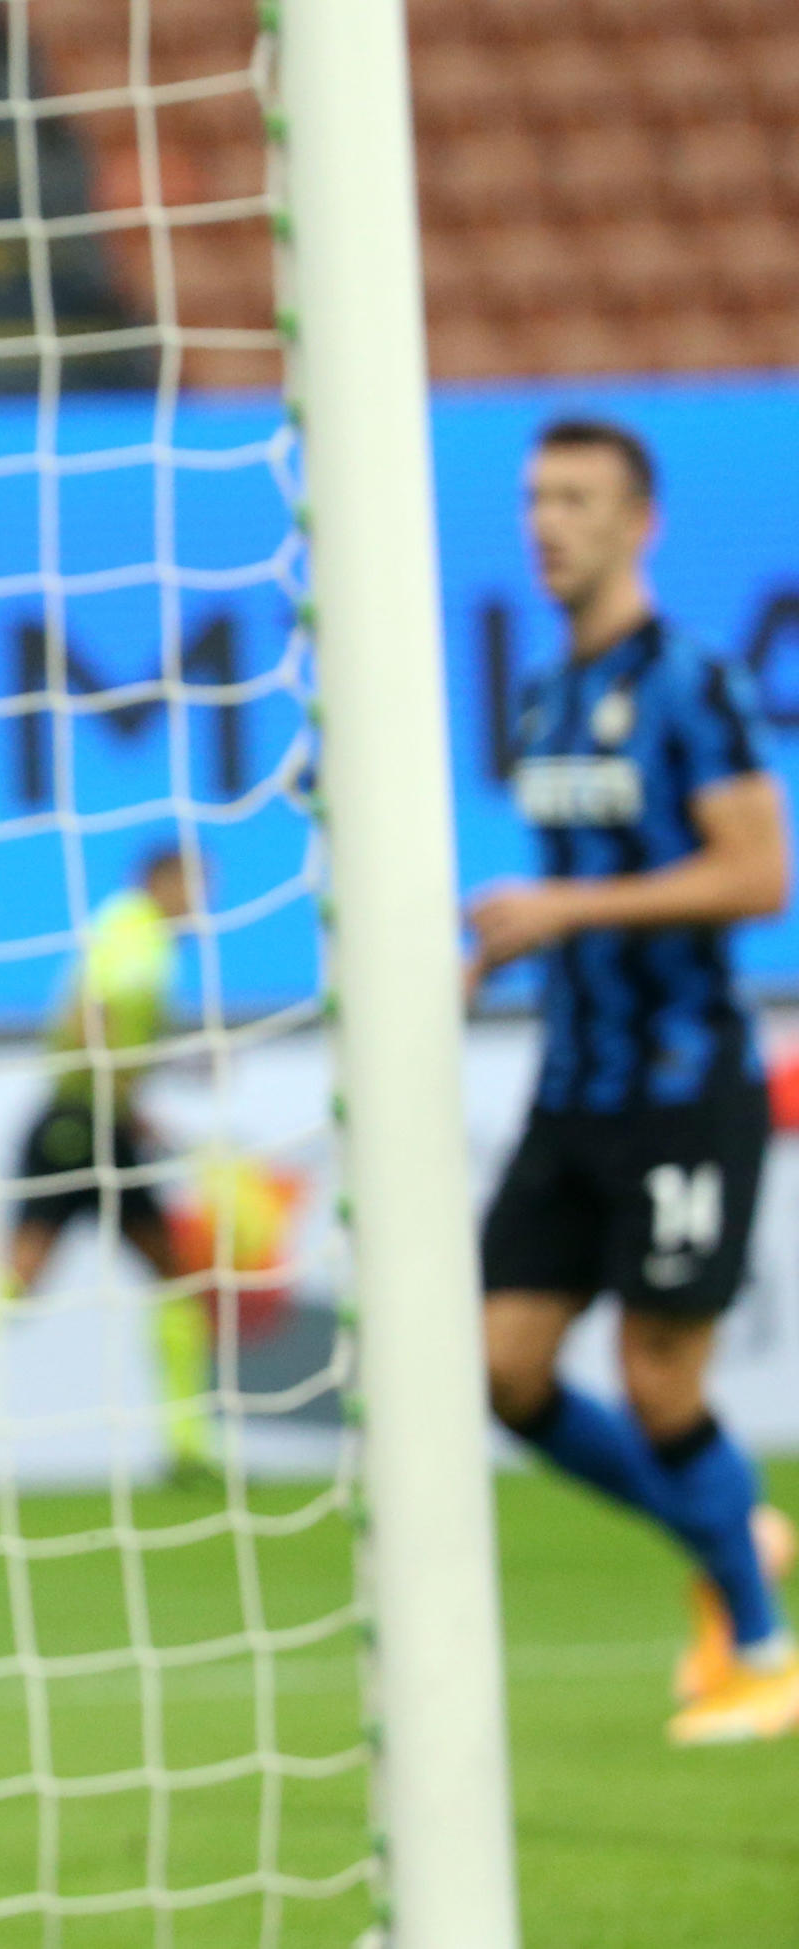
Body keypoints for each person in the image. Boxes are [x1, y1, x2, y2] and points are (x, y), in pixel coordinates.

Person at [470, 417, 796, 1747]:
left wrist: (567, 912)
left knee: (660, 1377)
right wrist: (495, 951)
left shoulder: (692, 684)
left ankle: (761, 1648)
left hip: (682, 1081)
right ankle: (734, 1530)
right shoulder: (544, 697)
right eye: (537, 497)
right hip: (572, 1089)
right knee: (503, 1369)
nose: (549, 522)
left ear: (640, 521)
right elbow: (571, 892)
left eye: (579, 499)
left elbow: (759, 876)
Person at [0, 847, 216, 1480]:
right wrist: (115, 1094)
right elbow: (88, 1017)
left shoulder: (141, 938)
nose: (202, 901)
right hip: (83, 1122)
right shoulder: (135, 933)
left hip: (85, 1119)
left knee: (155, 1277)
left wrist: (142, 1092)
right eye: (194, 885)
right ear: (161, 881)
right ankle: (187, 1445)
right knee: (155, 1278)